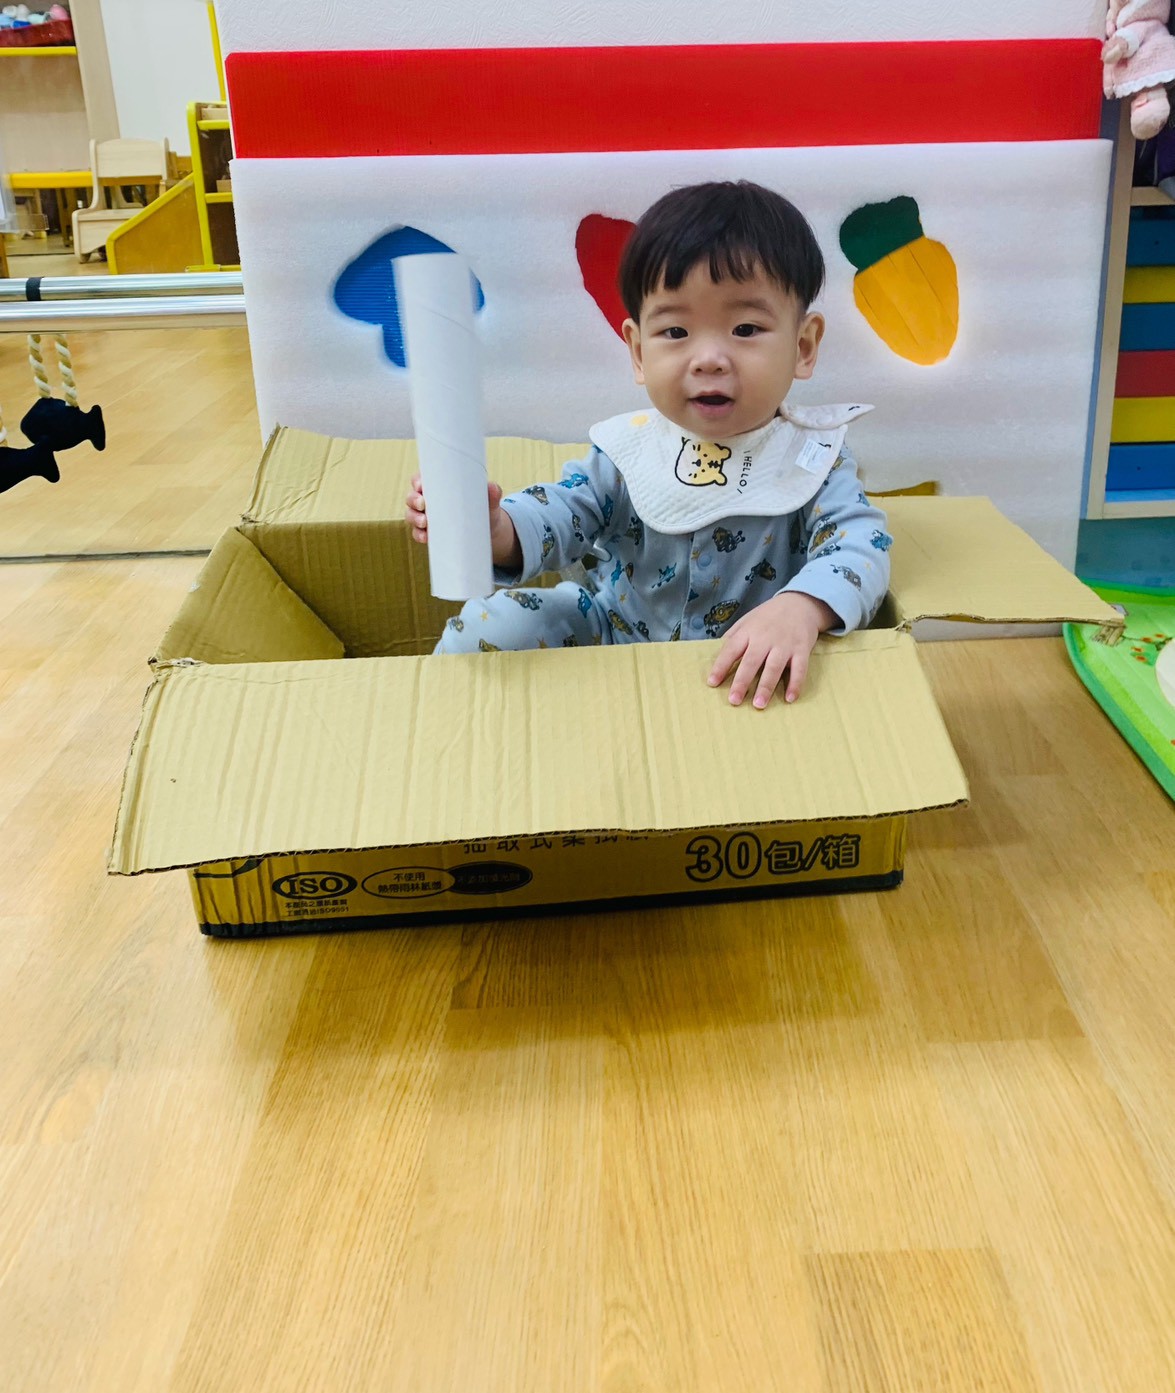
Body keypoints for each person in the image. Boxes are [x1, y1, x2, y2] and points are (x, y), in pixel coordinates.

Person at [406, 180, 892, 708]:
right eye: (676, 333)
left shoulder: (814, 457)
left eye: (746, 328)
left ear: (803, 346)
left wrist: (803, 607)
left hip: (747, 667)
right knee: (491, 623)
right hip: (614, 641)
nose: (709, 359)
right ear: (638, 352)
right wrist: (494, 529)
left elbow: (859, 543)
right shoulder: (628, 450)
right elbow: (562, 511)